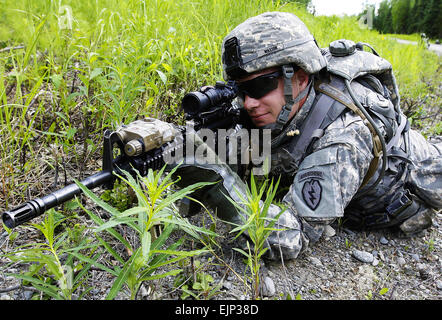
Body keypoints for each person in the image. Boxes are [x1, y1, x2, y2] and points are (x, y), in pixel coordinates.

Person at [173, 12, 442, 261]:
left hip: (418, 182)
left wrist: (219, 182)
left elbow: (291, 237)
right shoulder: (281, 106)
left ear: (300, 78)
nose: (248, 103)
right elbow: (246, 152)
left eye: (259, 86)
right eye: (239, 90)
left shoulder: (344, 137)